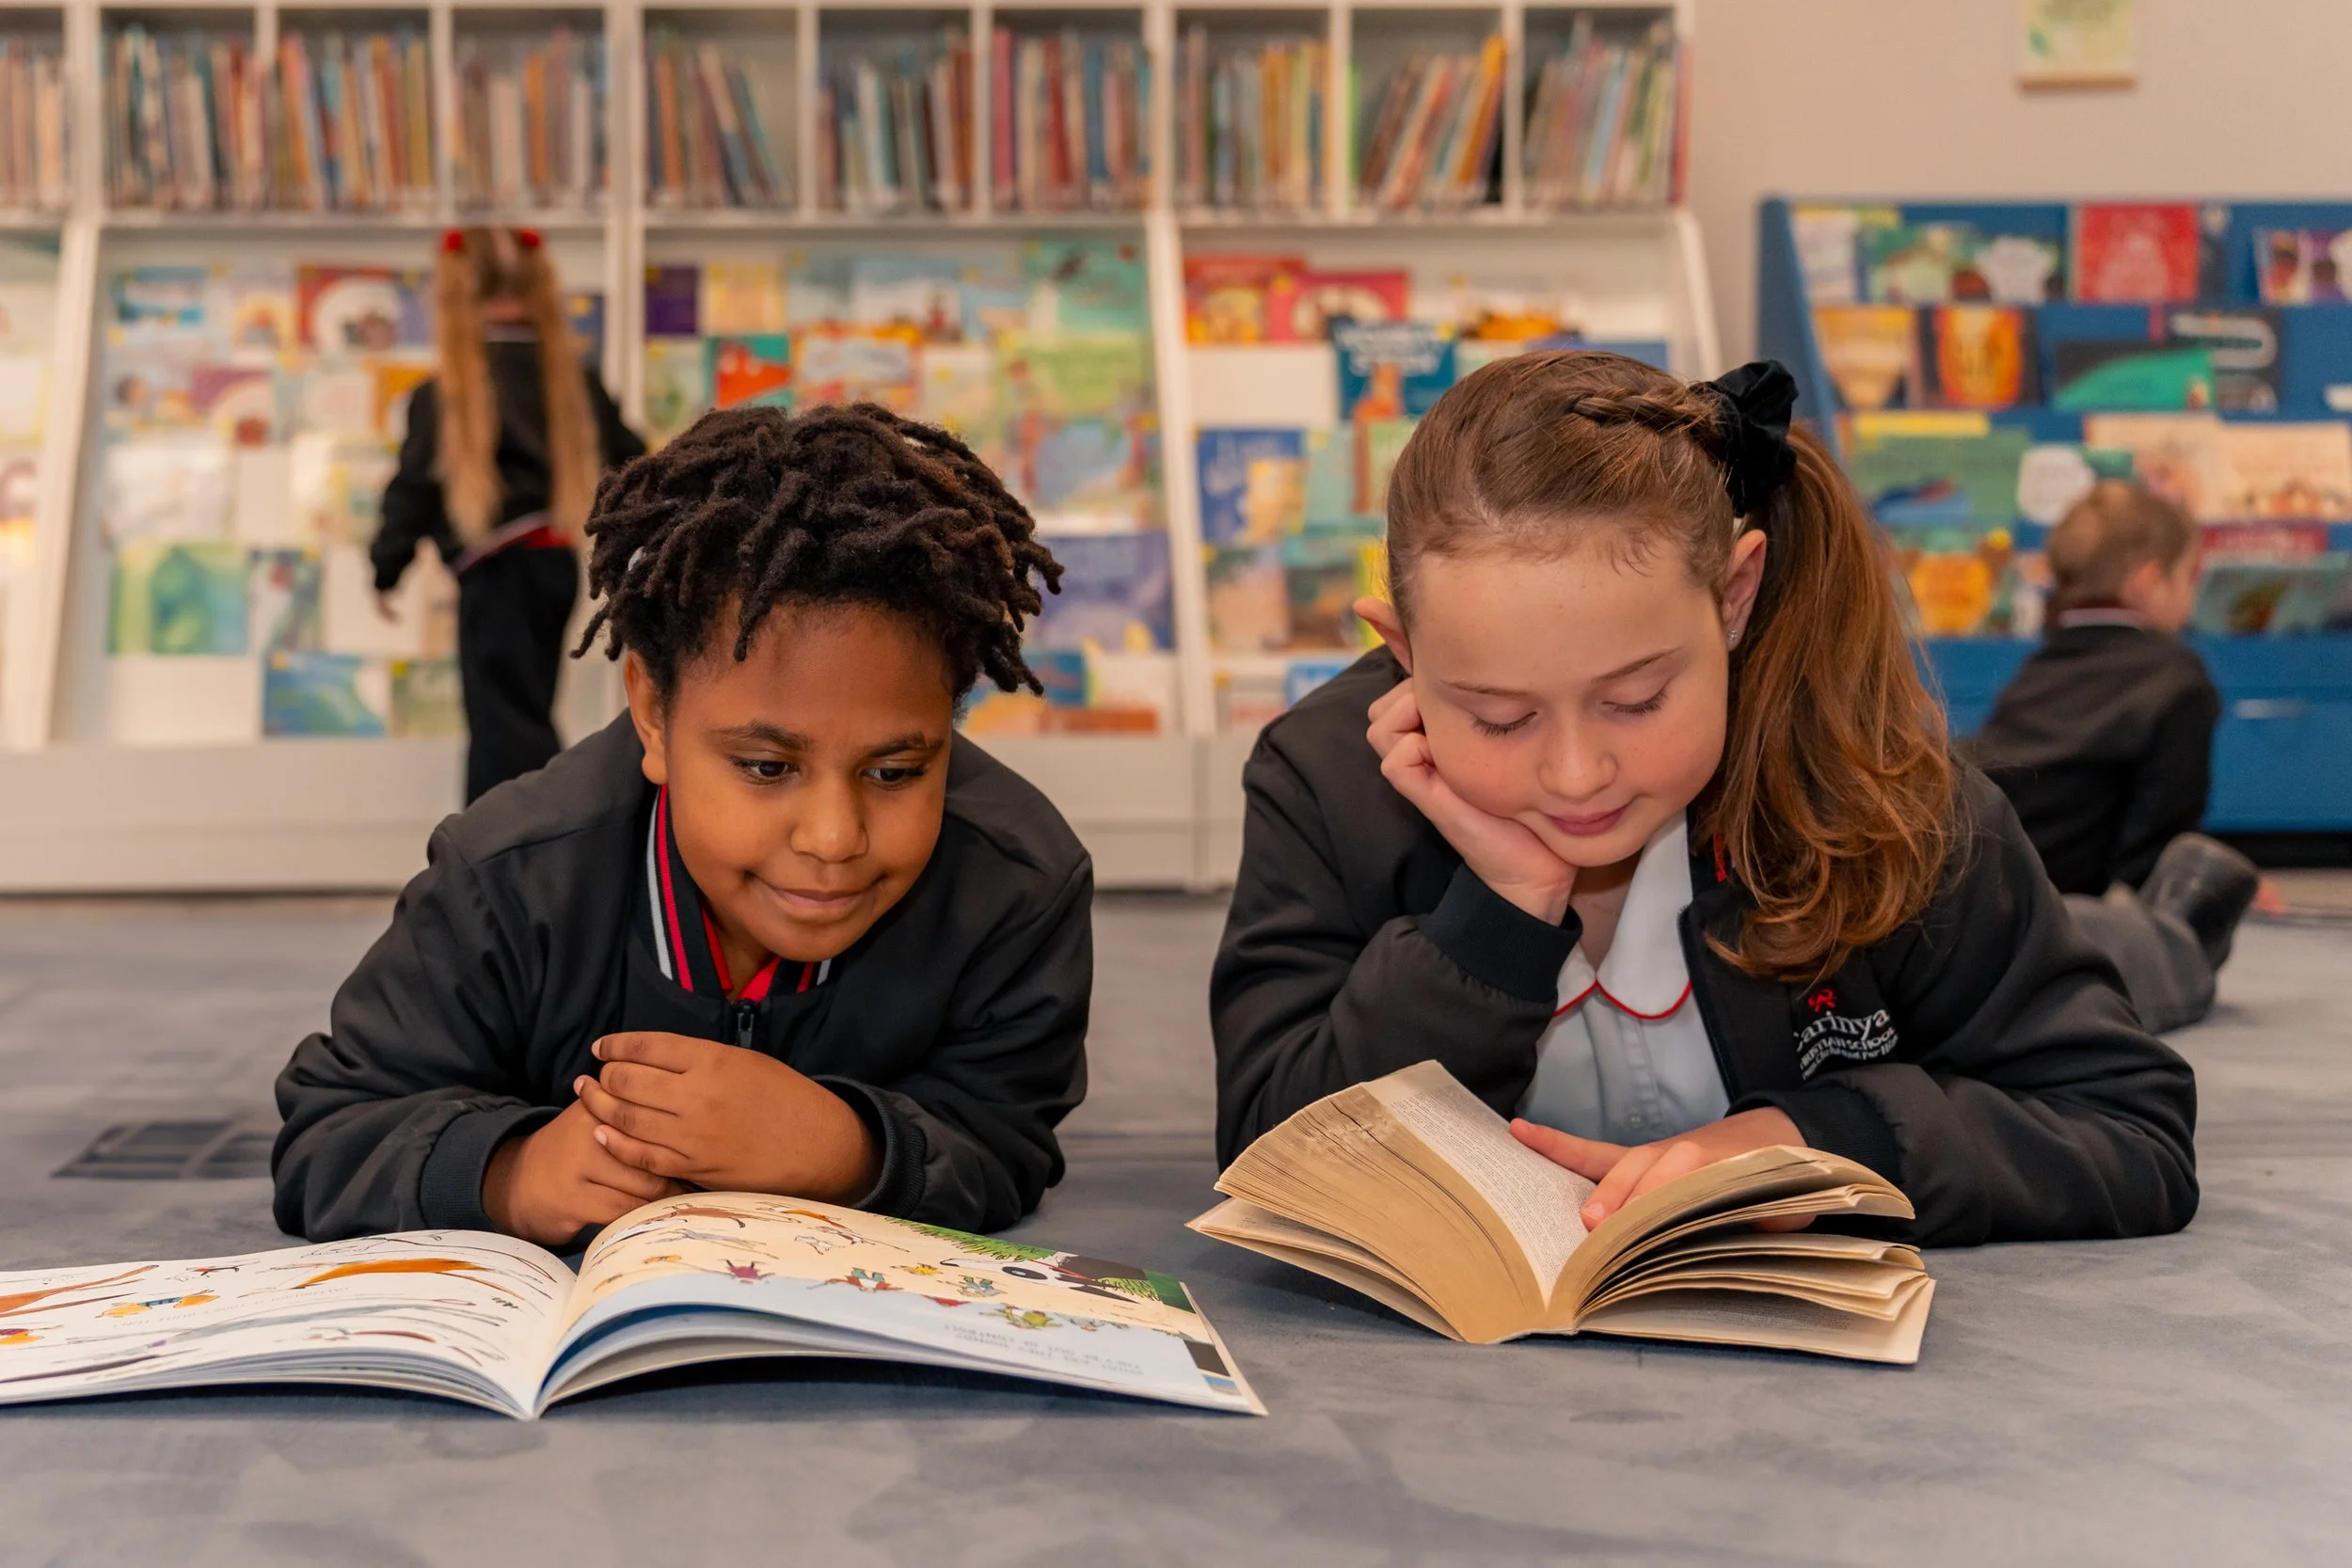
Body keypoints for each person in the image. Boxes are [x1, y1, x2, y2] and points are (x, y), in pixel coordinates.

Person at [1211, 351, 2198, 1247]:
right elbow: (1268, 1147)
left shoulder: (1888, 795)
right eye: (1500, 718)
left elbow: (2127, 1127)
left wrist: (1817, 1141)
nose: (1575, 773)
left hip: (2047, 930)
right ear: (1404, 651)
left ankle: (2184, 918)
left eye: (1636, 699)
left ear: (1734, 597)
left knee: (2148, 955)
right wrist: (1496, 915)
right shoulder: (1323, 780)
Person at [275, 404, 1093, 1247]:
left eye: (895, 772)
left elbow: (1008, 1136)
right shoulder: (508, 877)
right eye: (767, 768)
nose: (832, 837)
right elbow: (330, 1133)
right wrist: (509, 1172)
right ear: (654, 715)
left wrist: (846, 1149)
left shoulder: (1018, 883)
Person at [1969, 480, 2260, 1031]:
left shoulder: (2040, 669)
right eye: (2188, 577)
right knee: (2198, 919)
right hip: (2051, 919)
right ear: (2150, 582)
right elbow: (2157, 842)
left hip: (1973, 882)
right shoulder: (2177, 677)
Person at [374, 225, 646, 803]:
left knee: (504, 727)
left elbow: (413, 489)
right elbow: (637, 464)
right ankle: (522, 847)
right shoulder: (573, 383)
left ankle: (525, 850)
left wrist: (386, 565)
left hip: (495, 572)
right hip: (553, 565)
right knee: (521, 712)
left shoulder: (446, 393)